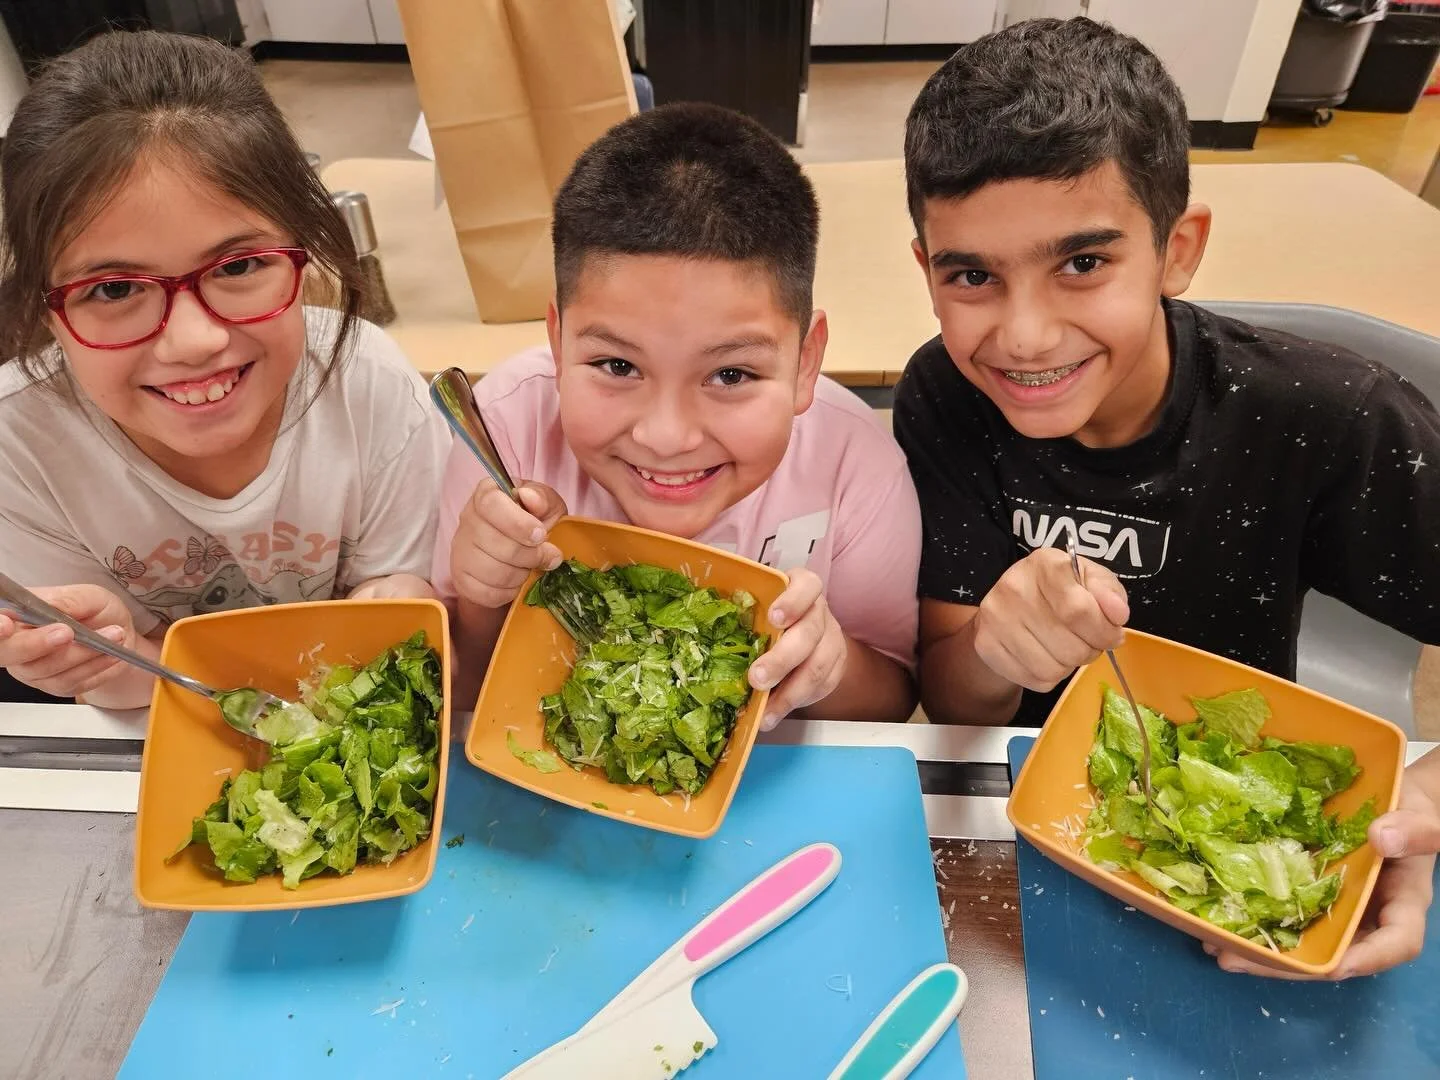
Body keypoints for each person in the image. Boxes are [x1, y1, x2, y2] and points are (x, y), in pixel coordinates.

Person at [894, 16, 1440, 978]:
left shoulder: (1332, 417)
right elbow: (952, 694)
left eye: (1083, 263)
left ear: (1177, 249)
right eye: (972, 275)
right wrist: (992, 646)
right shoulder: (944, 393)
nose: (1023, 337)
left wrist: (1424, 810)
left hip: (1237, 820)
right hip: (1035, 833)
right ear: (927, 270)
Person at [0, 30, 450, 709]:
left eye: (238, 267)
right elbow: (138, 682)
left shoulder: (371, 388)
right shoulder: (20, 446)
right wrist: (105, 656)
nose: (193, 341)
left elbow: (401, 632)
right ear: (45, 308)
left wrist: (407, 600)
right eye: (115, 290)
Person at [434, 102, 921, 726]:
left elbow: (893, 698)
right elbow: (462, 697)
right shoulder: (502, 432)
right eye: (617, 366)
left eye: (730, 375)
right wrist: (481, 601)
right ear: (557, 343)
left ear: (805, 362)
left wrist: (830, 664)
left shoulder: (857, 464)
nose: (666, 437)